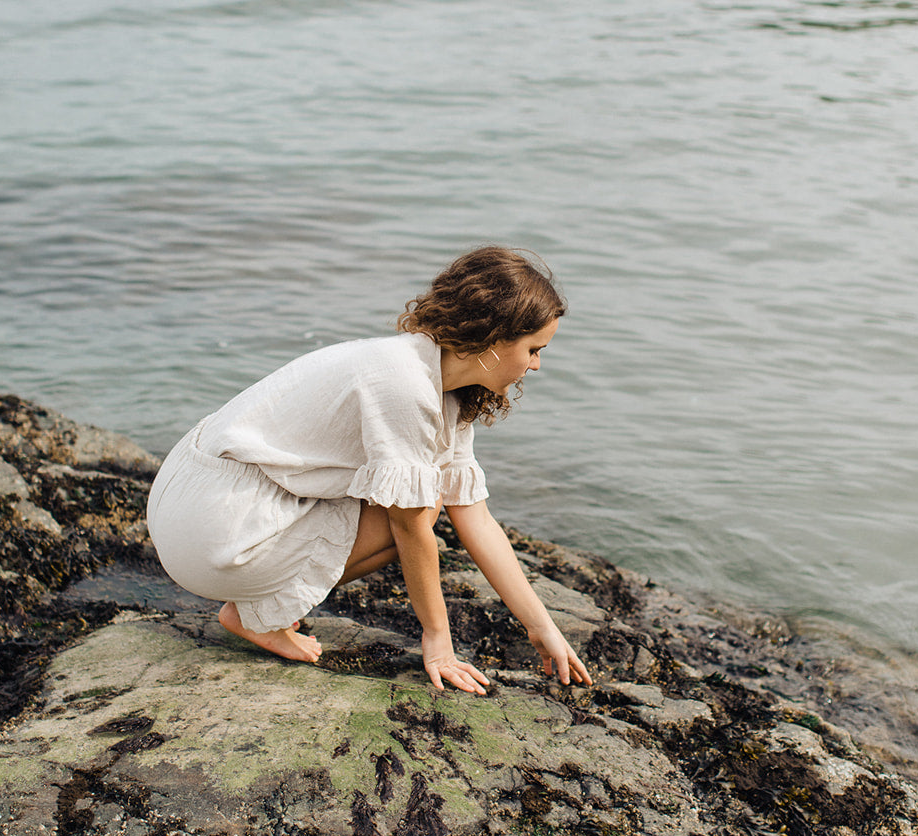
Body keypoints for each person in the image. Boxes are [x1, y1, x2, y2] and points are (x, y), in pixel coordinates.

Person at [146, 245, 592, 695]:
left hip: (195, 503)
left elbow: (474, 515)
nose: (536, 364)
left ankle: (254, 608)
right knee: (420, 505)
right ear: (495, 341)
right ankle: (253, 612)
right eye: (534, 349)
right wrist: (438, 642)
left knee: (424, 495)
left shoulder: (440, 385)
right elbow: (411, 527)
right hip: (214, 525)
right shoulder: (405, 385)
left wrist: (542, 627)